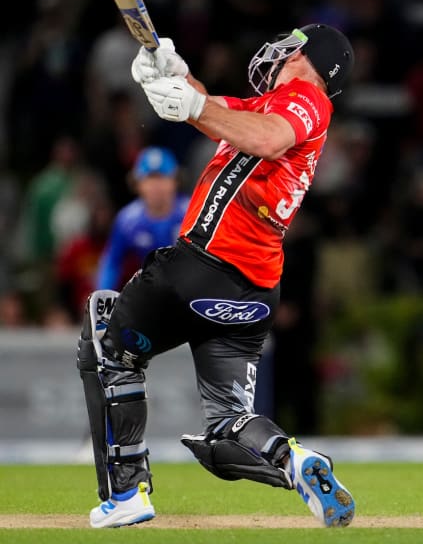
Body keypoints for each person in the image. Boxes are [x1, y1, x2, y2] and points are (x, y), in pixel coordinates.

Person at [76, 26, 356, 528]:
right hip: (251, 293)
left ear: (307, 57)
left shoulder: (305, 98)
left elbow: (267, 138)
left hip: (203, 267)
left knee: (106, 337)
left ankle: (126, 493)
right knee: (228, 427)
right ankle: (295, 461)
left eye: (291, 45)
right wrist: (175, 73)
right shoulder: (275, 105)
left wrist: (194, 106)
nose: (280, 50)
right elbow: (218, 113)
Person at [96, 147, 189, 291]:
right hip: (149, 293)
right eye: (149, 178)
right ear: (137, 184)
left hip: (190, 291)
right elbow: (111, 263)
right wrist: (103, 294)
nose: (156, 185)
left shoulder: (192, 213)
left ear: (175, 180)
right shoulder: (127, 220)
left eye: (162, 177)